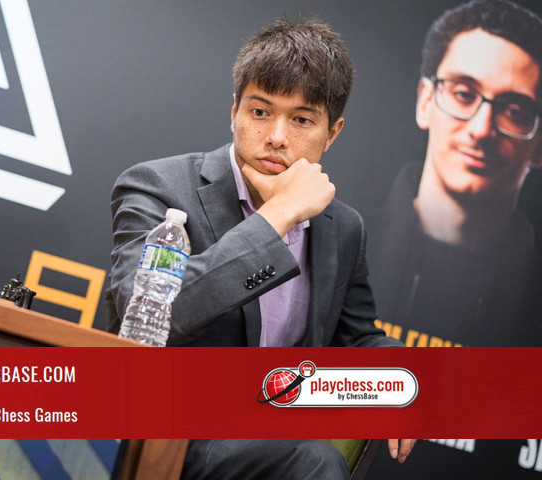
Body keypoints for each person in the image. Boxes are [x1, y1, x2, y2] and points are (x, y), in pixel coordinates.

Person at [107, 18, 415, 479]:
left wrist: (399, 373)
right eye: (259, 112)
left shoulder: (343, 227)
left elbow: (357, 339)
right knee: (314, 462)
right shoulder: (157, 186)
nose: (276, 136)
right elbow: (150, 314)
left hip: (270, 438)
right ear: (234, 112)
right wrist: (279, 215)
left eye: (302, 120)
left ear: (332, 133)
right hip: (160, 434)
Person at [368, 0, 542, 347]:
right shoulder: (329, 253)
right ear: (425, 102)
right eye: (463, 94)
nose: (481, 129)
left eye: (514, 110)